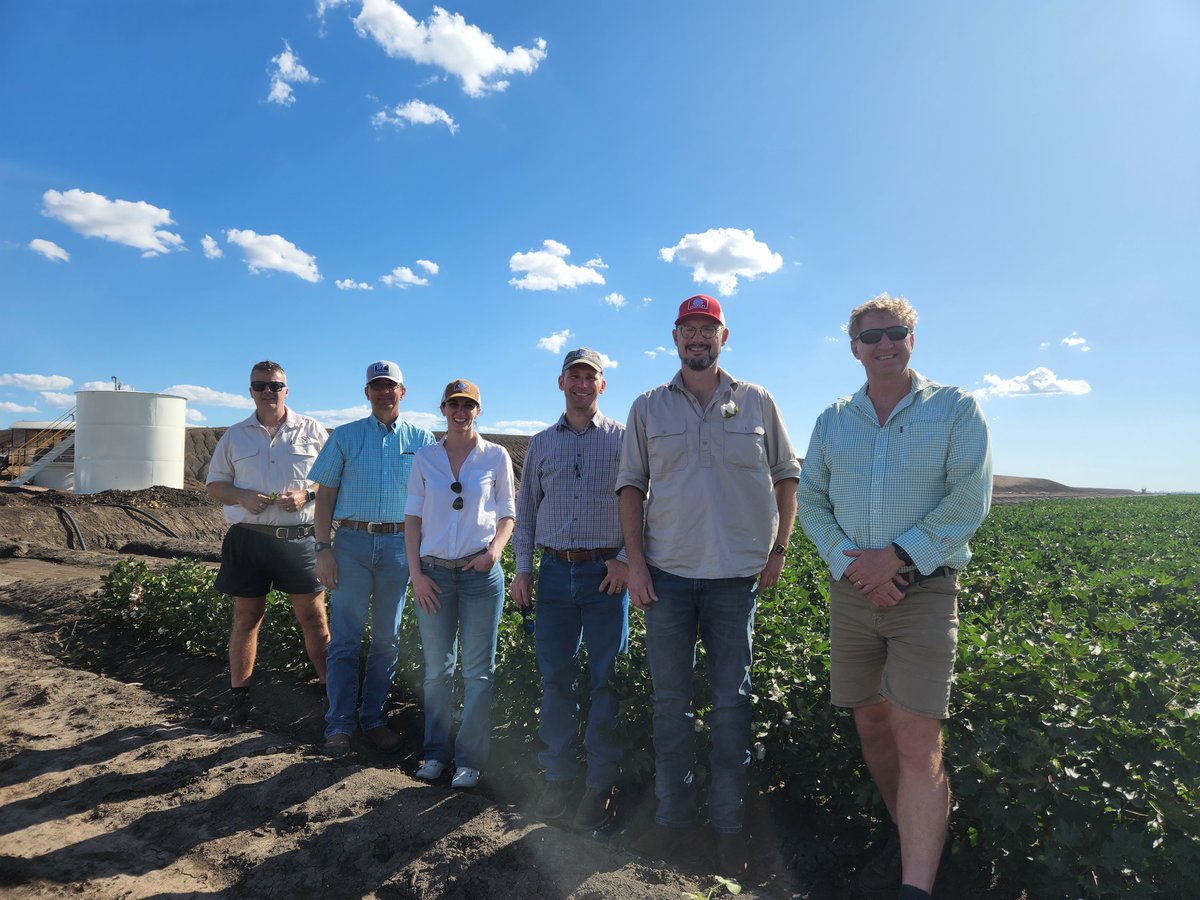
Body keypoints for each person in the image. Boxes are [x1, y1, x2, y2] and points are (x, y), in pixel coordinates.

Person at [795, 294, 992, 900]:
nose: (884, 344)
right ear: (854, 347)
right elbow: (811, 501)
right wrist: (853, 566)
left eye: (895, 333)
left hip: (925, 592)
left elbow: (970, 498)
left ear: (912, 339)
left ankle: (916, 887)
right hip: (853, 592)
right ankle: (908, 837)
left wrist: (899, 558)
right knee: (873, 727)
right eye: (871, 335)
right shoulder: (834, 419)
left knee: (915, 736)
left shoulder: (957, 409)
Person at [616, 294, 801, 874]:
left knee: (730, 705)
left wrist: (778, 551)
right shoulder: (648, 406)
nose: (698, 338)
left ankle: (727, 828)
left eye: (708, 329)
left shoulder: (757, 401)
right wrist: (638, 565)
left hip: (734, 581)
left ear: (725, 337)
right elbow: (630, 489)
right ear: (674, 338)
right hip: (666, 579)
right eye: (688, 329)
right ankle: (673, 823)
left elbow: (787, 477)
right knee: (670, 706)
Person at [512, 348, 629, 830]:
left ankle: (600, 784)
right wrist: (522, 570)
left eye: (591, 377)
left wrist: (625, 559)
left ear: (602, 386)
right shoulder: (540, 444)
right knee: (555, 678)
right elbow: (527, 513)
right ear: (561, 383)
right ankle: (558, 776)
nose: (582, 384)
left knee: (607, 679)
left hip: (607, 574)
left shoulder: (625, 440)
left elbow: (646, 503)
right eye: (574, 376)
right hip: (555, 573)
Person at [308, 360, 436, 757]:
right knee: (345, 640)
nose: (384, 392)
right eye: (376, 386)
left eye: (390, 386)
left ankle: (374, 719)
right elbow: (325, 496)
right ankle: (339, 725)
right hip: (352, 544)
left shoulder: (423, 439)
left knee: (387, 640)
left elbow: (433, 501)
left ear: (403, 391)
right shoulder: (345, 437)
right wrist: (323, 549)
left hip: (400, 546)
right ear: (366, 392)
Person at [206, 360, 330, 731]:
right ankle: (239, 702)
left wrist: (306, 494)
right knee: (247, 619)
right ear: (251, 391)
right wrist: (241, 495)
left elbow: (331, 481)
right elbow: (215, 485)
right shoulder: (235, 435)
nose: (268, 392)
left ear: (286, 390)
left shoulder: (312, 430)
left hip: (298, 540)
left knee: (314, 619)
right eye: (260, 386)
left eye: (275, 386)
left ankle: (332, 700)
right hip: (249, 541)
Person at [405, 379, 515, 789]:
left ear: (478, 411)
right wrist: (416, 575)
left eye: (468, 405)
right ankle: (435, 753)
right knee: (437, 670)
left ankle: (469, 761)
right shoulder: (425, 458)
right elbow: (412, 519)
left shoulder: (495, 456)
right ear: (443, 408)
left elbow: (507, 513)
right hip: (433, 576)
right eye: (454, 404)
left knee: (478, 671)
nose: (461, 411)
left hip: (479, 575)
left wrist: (495, 552)